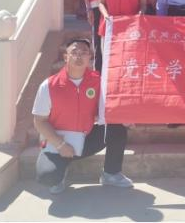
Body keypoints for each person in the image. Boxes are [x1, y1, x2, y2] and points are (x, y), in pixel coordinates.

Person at [32, 39, 133, 194]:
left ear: (89, 57)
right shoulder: (49, 85)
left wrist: (124, 117)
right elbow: (39, 121)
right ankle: (59, 171)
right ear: (65, 57)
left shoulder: (99, 81)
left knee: (117, 128)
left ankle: (111, 173)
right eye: (74, 52)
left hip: (85, 140)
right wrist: (60, 145)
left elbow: (107, 107)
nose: (79, 56)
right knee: (48, 177)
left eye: (84, 53)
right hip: (56, 142)